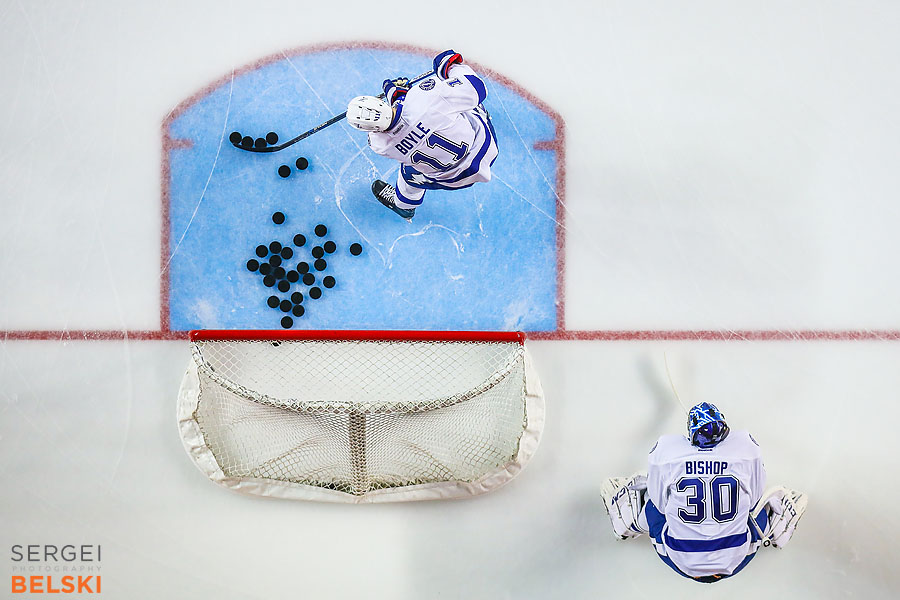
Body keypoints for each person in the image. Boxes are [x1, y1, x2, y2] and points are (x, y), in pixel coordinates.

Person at [600, 402, 808, 583]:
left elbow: (661, 503)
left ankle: (628, 522)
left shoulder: (667, 451)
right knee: (762, 502)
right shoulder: (744, 447)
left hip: (679, 558)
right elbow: (754, 497)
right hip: (737, 558)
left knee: (650, 497)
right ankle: (779, 527)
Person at [345, 50, 498, 220]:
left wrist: (398, 97)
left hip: (453, 178)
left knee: (409, 172)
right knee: (459, 101)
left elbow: (402, 125)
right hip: (484, 146)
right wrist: (448, 65)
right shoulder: (425, 98)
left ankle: (404, 206)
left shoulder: (379, 145)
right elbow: (477, 87)